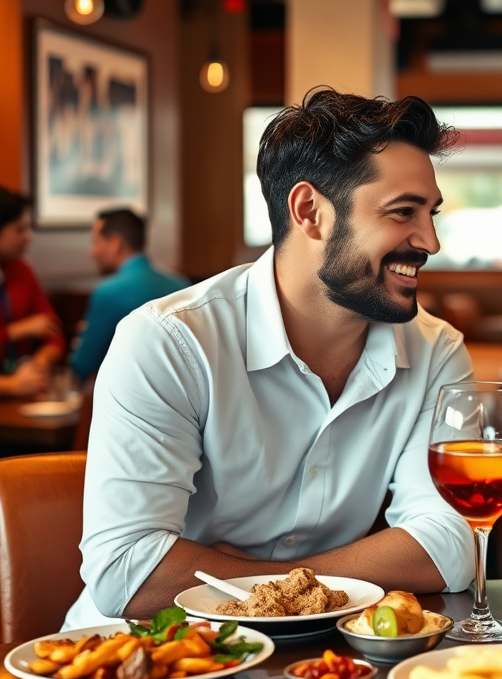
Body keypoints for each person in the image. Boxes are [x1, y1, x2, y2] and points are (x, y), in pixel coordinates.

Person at [65, 89, 475, 628]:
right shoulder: (169, 342)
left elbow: (449, 546)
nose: (431, 241)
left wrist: (280, 586)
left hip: (325, 653)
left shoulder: (436, 350)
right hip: (150, 658)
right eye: (404, 213)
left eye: (431, 214)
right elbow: (127, 571)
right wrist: (328, 581)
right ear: (309, 212)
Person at [69, 208, 188, 380]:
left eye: (96, 242)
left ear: (115, 244)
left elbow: (83, 365)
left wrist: (81, 342)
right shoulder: (181, 285)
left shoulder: (108, 293)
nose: (92, 251)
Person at [0, 187, 65, 397]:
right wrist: (10, 385)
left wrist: (38, 365)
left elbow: (54, 333)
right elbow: (31, 327)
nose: (27, 238)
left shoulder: (22, 271)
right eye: (19, 230)